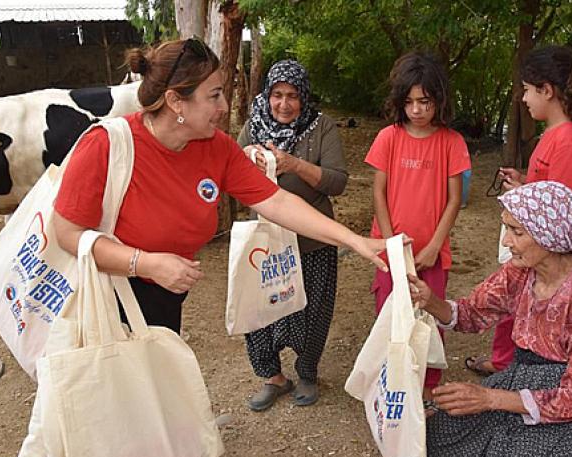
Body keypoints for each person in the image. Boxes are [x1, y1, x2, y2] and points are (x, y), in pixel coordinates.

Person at [52, 38, 387, 336]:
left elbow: (278, 202)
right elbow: (67, 234)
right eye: (214, 96)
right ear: (176, 101)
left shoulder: (217, 148)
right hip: (104, 297)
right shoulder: (105, 145)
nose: (225, 106)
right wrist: (147, 263)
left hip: (164, 298)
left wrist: (353, 240)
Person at [411, 181, 572, 457]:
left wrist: (489, 399)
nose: (506, 242)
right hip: (524, 377)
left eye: (517, 232)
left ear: (549, 236)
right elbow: (474, 313)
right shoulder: (522, 270)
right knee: (436, 442)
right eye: (507, 229)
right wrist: (431, 302)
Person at [467, 45, 572, 376]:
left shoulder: (568, 140)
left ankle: (523, 376)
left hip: (547, 257)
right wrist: (525, 187)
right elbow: (549, 196)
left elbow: (562, 214)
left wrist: (524, 196)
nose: (524, 98)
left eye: (529, 90)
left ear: (548, 90)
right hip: (535, 249)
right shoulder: (555, 136)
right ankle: (512, 370)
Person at [237, 60, 346, 410]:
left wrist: (295, 164)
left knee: (312, 311)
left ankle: (308, 373)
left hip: (312, 241)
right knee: (258, 311)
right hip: (265, 244)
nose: (284, 104)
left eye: (293, 96)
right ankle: (273, 377)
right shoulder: (253, 127)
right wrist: (246, 162)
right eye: (277, 95)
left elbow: (337, 181)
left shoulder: (321, 127)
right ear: (267, 95)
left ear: (304, 98)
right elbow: (231, 176)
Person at [365, 52, 471, 399]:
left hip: (432, 253)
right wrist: (391, 241)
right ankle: (392, 384)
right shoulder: (388, 138)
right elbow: (378, 191)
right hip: (391, 252)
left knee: (430, 319)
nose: (416, 110)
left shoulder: (452, 142)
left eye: (424, 102)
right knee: (390, 318)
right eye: (409, 102)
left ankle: (426, 389)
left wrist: (433, 246)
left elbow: (454, 200)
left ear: (438, 100)